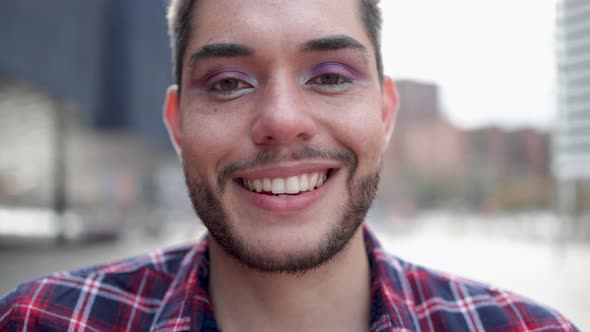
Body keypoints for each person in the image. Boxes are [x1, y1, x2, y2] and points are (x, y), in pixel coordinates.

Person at [0, 0, 579, 331]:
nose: (281, 119)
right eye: (228, 83)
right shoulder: (40, 321)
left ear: (384, 111)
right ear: (176, 124)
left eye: (329, 76)